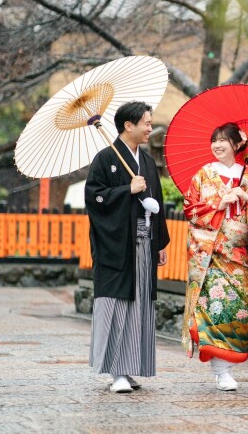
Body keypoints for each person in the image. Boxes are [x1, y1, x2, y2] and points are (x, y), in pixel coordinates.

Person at [85, 101, 170, 394]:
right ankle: (116, 371)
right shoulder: (104, 159)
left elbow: (157, 203)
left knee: (139, 304)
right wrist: (126, 191)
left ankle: (131, 367)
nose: (150, 128)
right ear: (128, 126)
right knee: (117, 304)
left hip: (144, 245)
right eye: (146, 123)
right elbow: (94, 199)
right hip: (117, 247)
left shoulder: (145, 162)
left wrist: (159, 241)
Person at [181, 122, 248, 391]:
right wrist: (218, 204)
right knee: (212, 310)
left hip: (241, 257)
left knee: (237, 314)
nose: (217, 145)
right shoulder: (204, 174)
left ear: (236, 145)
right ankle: (222, 372)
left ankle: (227, 368)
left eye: (223, 141)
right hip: (212, 255)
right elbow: (189, 208)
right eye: (214, 140)